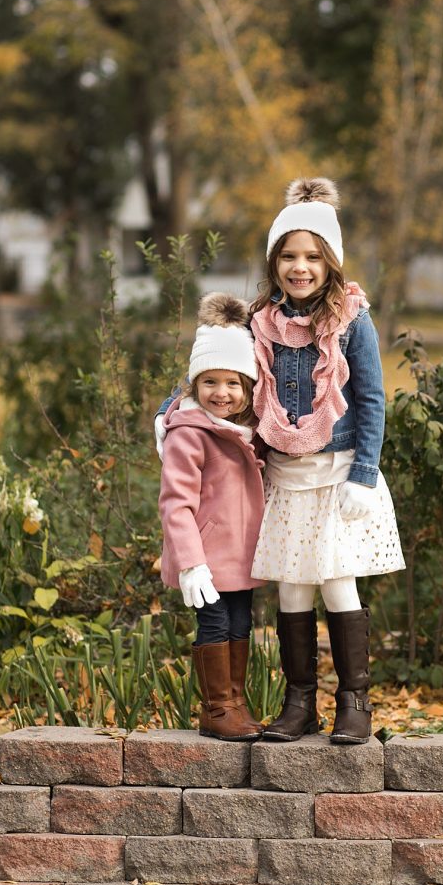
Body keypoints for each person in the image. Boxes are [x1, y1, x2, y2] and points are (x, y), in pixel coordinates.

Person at [156, 177, 405, 745]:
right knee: (292, 589)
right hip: (285, 475)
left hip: (338, 471)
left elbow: (370, 399)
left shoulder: (352, 320)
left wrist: (365, 473)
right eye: (289, 256)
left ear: (331, 263)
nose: (300, 267)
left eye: (313, 257)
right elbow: (217, 374)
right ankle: (299, 704)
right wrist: (173, 411)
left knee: (338, 584)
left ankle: (354, 700)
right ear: (274, 263)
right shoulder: (259, 320)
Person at [158, 292, 265, 742]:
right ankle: (217, 708)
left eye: (233, 383)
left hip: (241, 558)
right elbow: (175, 503)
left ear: (247, 389)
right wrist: (190, 561)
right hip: (205, 560)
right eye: (210, 382)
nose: (222, 393)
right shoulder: (190, 434)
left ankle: (236, 701)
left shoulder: (247, 432)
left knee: (241, 625)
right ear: (194, 385)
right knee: (216, 624)